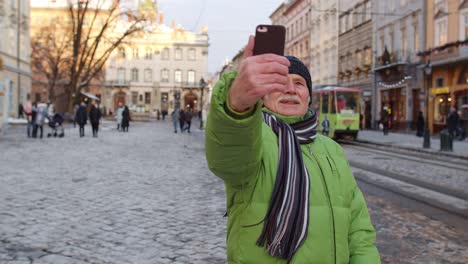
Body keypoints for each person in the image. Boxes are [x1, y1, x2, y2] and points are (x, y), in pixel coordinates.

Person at [205, 36, 380, 263]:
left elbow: (359, 228)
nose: (290, 89)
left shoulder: (332, 149)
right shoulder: (252, 138)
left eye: (299, 83)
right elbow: (228, 155)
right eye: (280, 83)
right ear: (263, 94)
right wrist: (236, 104)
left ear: (308, 96)